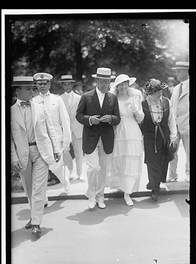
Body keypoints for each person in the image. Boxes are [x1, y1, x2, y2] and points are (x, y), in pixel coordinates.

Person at [11, 76, 60, 235]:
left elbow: (50, 129)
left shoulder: (39, 108)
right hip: (22, 155)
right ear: (18, 91)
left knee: (39, 189)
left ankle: (36, 224)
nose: (33, 91)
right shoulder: (10, 112)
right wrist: (13, 158)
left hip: (41, 152)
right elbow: (9, 139)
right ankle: (34, 217)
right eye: (28, 89)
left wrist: (56, 148)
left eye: (33, 88)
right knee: (29, 189)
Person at [76, 67, 121, 209]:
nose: (107, 85)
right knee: (93, 168)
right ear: (96, 81)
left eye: (109, 82)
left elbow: (117, 118)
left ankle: (100, 197)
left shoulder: (113, 98)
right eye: (104, 82)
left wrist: (110, 118)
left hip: (106, 137)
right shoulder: (86, 96)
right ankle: (91, 195)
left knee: (103, 169)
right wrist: (89, 119)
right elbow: (78, 115)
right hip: (91, 137)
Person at [107, 74, 144, 206]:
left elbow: (140, 118)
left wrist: (135, 109)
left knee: (131, 160)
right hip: (118, 131)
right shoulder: (113, 98)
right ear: (117, 86)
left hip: (132, 130)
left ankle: (127, 192)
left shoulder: (135, 96)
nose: (123, 86)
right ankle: (121, 185)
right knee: (119, 160)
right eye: (121, 84)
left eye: (125, 83)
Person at [33, 73, 71, 196]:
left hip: (57, 139)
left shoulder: (57, 99)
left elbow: (65, 121)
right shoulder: (33, 101)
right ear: (36, 85)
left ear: (49, 84)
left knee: (55, 166)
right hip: (41, 140)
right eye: (40, 84)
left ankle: (64, 180)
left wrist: (67, 140)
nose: (42, 86)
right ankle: (43, 197)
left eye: (45, 83)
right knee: (43, 168)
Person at [140, 78, 177, 201]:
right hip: (149, 137)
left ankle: (155, 183)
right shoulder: (143, 104)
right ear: (149, 93)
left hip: (164, 135)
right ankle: (154, 189)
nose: (159, 94)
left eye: (160, 91)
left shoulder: (166, 102)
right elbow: (140, 122)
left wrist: (173, 136)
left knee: (162, 160)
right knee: (152, 162)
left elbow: (171, 120)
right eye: (156, 92)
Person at [167, 61, 190, 182]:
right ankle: (172, 174)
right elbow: (172, 106)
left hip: (188, 125)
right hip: (175, 126)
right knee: (172, 151)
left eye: (179, 71)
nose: (176, 73)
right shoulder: (176, 88)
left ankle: (189, 173)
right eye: (176, 71)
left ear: (187, 72)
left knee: (190, 152)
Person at [60, 74, 85, 181]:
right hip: (65, 130)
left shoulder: (79, 98)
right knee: (65, 151)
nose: (67, 87)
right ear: (63, 86)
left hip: (78, 128)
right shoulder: (59, 99)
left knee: (79, 152)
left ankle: (80, 173)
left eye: (69, 84)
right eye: (65, 85)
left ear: (72, 84)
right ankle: (71, 170)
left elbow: (82, 113)